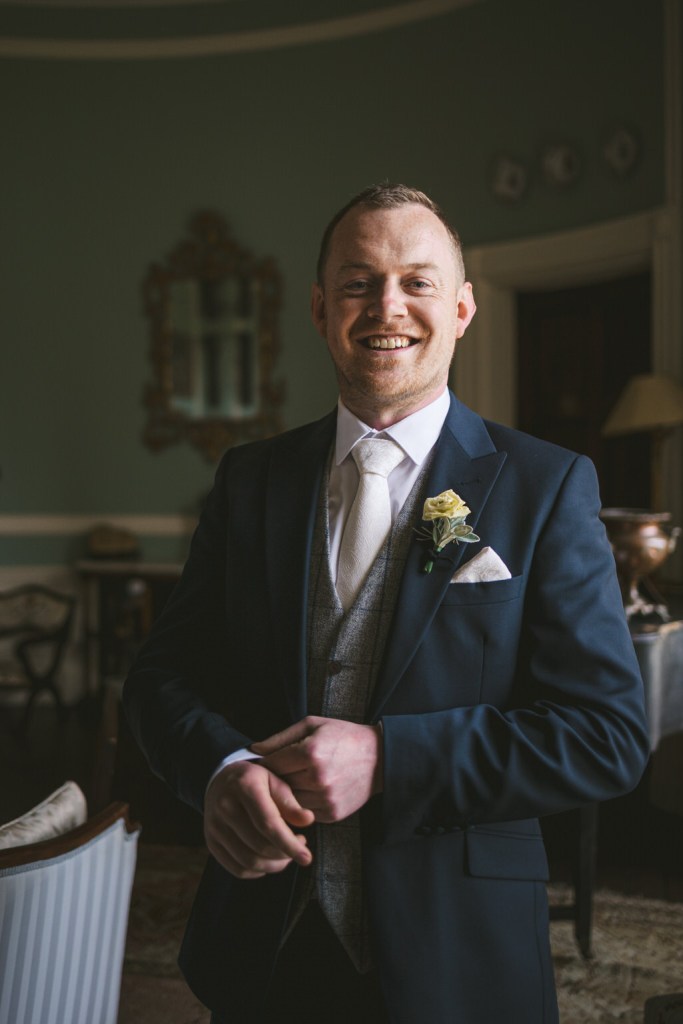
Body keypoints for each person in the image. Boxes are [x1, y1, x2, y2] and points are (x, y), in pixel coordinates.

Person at [123, 183, 649, 1023]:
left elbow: (606, 736)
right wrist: (216, 770)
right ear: (320, 304)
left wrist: (388, 758)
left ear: (463, 307)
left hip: (456, 955)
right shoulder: (251, 481)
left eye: (417, 281)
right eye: (359, 281)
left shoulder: (545, 487)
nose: (386, 305)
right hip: (265, 945)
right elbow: (161, 678)